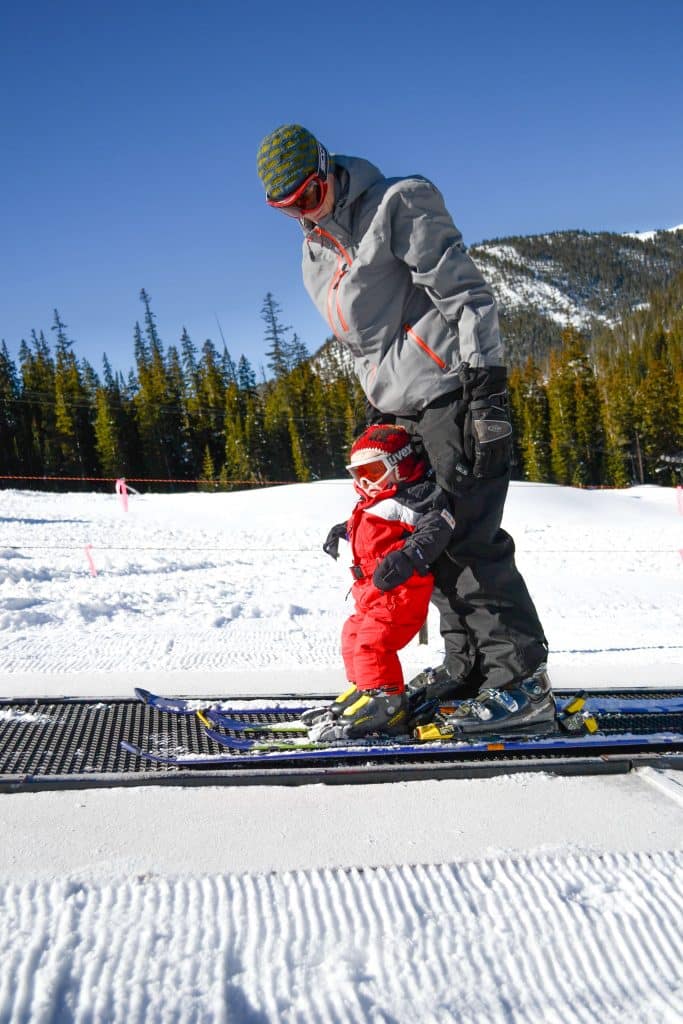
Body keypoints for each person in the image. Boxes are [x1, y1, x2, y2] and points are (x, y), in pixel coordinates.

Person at [257, 124, 554, 737]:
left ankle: (522, 685)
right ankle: (471, 667)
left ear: (327, 170)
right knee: (424, 540)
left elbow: (468, 295)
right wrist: (379, 415)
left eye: (309, 196)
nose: (302, 215)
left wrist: (486, 391)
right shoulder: (315, 250)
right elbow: (370, 345)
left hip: (453, 392)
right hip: (400, 409)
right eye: (286, 209)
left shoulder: (398, 202)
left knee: (467, 536)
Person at [306, 423, 455, 741]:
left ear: (400, 466)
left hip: (400, 592)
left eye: (373, 471)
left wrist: (409, 556)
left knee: (373, 643)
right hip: (371, 593)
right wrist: (341, 531)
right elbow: (367, 525)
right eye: (357, 474)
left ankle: (388, 706)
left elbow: (437, 525)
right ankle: (366, 690)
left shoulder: (417, 498)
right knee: (353, 634)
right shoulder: (375, 499)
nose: (364, 482)